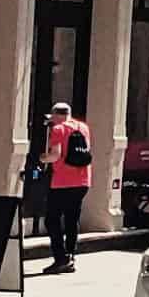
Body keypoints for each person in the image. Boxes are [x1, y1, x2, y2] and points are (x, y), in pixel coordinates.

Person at [42, 101, 93, 274]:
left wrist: (43, 158)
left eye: (53, 117)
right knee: (72, 219)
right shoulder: (83, 128)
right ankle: (71, 255)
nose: (52, 121)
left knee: (52, 219)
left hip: (62, 182)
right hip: (82, 181)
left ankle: (60, 258)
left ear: (57, 115)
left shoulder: (58, 130)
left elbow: (55, 156)